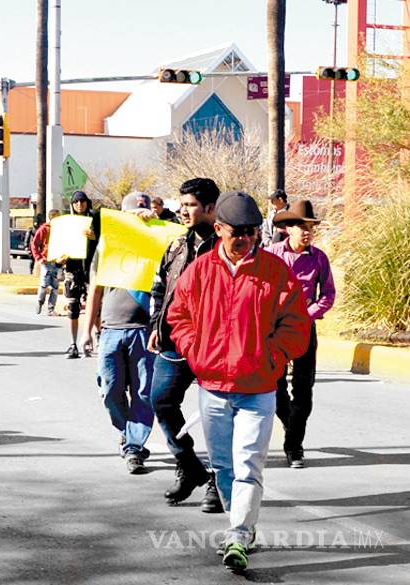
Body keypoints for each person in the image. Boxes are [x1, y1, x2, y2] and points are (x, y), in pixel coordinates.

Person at [166, 191, 310, 572]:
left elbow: (297, 325)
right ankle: (240, 523)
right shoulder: (200, 271)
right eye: (237, 231)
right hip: (212, 389)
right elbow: (178, 316)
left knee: (248, 464)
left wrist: (273, 357)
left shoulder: (276, 272)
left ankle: (239, 534)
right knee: (224, 467)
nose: (245, 238)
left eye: (251, 231)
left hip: (258, 390)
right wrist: (195, 351)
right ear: (219, 229)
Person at [147, 178, 223, 512]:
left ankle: (220, 482)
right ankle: (189, 465)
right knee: (161, 400)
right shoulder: (176, 246)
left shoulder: (225, 247)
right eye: (182, 204)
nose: (183, 210)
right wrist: (156, 325)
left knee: (218, 414)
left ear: (210, 208)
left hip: (214, 344)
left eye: (190, 205)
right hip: (174, 340)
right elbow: (159, 288)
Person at [81, 193, 156, 474]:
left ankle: (133, 447)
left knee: (143, 393)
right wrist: (87, 330)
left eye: (143, 213)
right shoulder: (108, 245)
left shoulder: (158, 244)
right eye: (132, 214)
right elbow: (95, 290)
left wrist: (156, 224)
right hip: (111, 328)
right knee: (110, 390)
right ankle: (128, 432)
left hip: (144, 330)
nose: (138, 218)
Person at [267, 200, 336, 469]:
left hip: (305, 328)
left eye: (310, 227)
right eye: (301, 226)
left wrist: (307, 315)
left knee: (304, 389)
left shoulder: (319, 258)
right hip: (275, 330)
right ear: (288, 229)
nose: (307, 232)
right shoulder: (271, 255)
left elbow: (328, 295)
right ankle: (290, 423)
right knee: (275, 388)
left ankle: (294, 445)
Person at [62, 191, 96, 358]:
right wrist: (59, 259)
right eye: (76, 202)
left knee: (96, 307)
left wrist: (94, 237)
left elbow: (106, 241)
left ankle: (99, 340)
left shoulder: (96, 220)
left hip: (92, 270)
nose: (79, 204)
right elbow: (59, 246)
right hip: (73, 271)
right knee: (73, 307)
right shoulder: (67, 223)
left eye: (82, 201)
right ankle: (73, 344)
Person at [30, 209, 61, 316]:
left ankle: (51, 309)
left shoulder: (62, 230)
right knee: (44, 284)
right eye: (56, 217)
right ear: (51, 218)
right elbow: (34, 244)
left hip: (58, 263)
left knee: (55, 287)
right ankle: (40, 302)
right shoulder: (44, 229)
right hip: (46, 262)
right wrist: (38, 258)